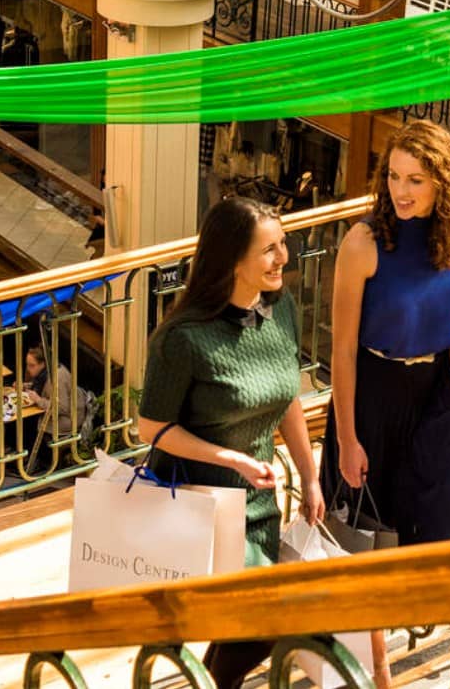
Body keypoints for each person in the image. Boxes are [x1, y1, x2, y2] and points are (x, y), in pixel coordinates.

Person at [322, 120, 450, 688]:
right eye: (395, 177)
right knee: (372, 539)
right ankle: (377, 673)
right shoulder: (364, 242)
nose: (401, 191)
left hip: (438, 398)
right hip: (374, 396)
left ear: (442, 185)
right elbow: (343, 353)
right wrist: (348, 438)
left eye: (416, 181)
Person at [138, 197, 323, 689]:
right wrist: (230, 458)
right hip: (198, 501)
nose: (283, 257)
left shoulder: (279, 311)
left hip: (259, 499)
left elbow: (286, 396)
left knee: (238, 626)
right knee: (259, 623)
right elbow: (150, 427)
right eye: (268, 250)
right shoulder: (182, 339)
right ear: (232, 261)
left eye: (283, 244)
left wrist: (310, 474)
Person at [22, 342, 80, 438]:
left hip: (68, 420)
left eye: (32, 366)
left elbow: (61, 408)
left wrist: (38, 400)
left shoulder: (57, 379)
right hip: (57, 413)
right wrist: (26, 386)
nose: (28, 369)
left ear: (43, 364)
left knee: (27, 427)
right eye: (27, 365)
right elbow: (43, 387)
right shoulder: (45, 373)